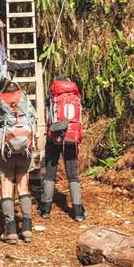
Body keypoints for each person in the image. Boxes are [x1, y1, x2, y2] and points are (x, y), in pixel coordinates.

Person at [0, 81, 36, 244]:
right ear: (19, 92)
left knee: (7, 187)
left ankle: (10, 230)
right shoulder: (26, 105)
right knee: (23, 186)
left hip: (6, 154)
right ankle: (27, 228)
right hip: (24, 152)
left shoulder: (0, 107)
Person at [37, 78, 86, 222]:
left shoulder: (53, 97)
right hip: (72, 136)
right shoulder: (75, 96)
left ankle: (45, 209)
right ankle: (78, 212)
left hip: (54, 136)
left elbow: (48, 117)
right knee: (73, 174)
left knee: (50, 172)